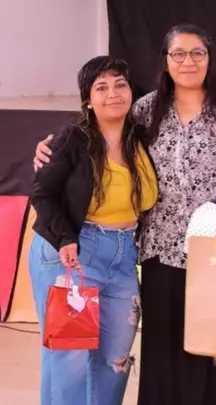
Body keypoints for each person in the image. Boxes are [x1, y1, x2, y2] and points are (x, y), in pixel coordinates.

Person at [33, 24, 216, 405]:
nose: (188, 61)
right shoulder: (145, 109)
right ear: (165, 61)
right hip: (159, 249)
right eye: (178, 54)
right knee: (155, 347)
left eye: (197, 53)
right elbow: (99, 129)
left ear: (209, 59)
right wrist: (49, 146)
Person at [29, 55, 158, 405]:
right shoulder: (72, 139)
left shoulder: (142, 137)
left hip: (123, 256)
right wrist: (65, 239)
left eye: (120, 84)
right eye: (101, 87)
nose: (113, 93)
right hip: (71, 253)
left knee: (116, 359)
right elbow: (43, 194)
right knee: (68, 359)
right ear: (88, 99)